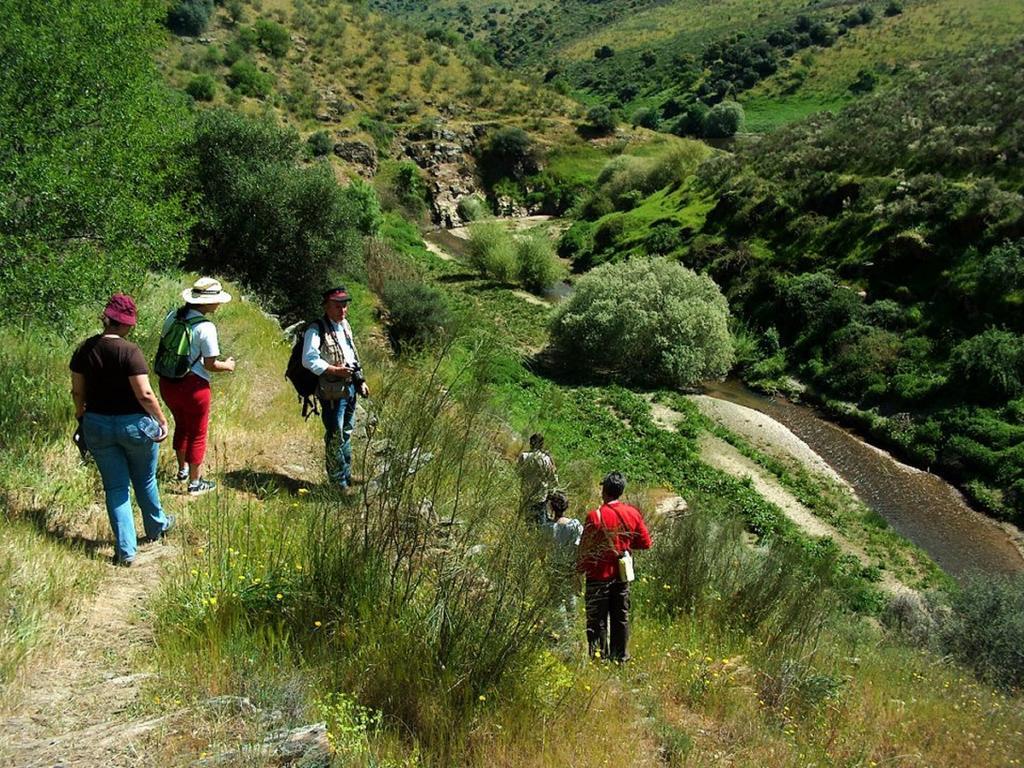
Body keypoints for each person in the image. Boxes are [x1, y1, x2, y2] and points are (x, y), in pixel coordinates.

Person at [70, 294, 174, 566]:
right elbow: (145, 394)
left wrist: (82, 415)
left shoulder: (84, 350)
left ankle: (126, 550)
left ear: (106, 319)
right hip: (134, 426)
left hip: (97, 424)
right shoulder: (130, 351)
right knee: (145, 479)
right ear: (127, 324)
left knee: (116, 487)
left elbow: (77, 391)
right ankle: (156, 527)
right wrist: (162, 420)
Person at [158, 277, 235, 495]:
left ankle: (182, 470)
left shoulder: (173, 316)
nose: (219, 304)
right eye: (217, 300)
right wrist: (228, 366)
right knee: (198, 432)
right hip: (194, 387)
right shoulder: (206, 327)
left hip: (168, 382)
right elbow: (211, 364)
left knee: (181, 425)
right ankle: (195, 482)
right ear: (205, 303)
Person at [578, 471, 652, 662]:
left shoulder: (595, 516)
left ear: (604, 491)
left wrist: (579, 569)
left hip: (597, 575)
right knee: (620, 617)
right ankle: (620, 658)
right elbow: (645, 543)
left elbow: (585, 548)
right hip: (621, 575)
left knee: (597, 620)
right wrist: (624, 545)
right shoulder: (632, 513)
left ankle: (598, 657)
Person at [301, 286, 369, 492]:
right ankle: (337, 482)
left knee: (346, 431)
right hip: (331, 392)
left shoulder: (345, 326)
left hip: (349, 389)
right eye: (337, 306)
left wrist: (361, 381)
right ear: (326, 307)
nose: (342, 310)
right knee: (335, 434)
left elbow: (352, 356)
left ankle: (345, 474)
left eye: (345, 305)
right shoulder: (316, 329)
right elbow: (309, 360)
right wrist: (334, 370)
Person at [544, 490, 583, 639]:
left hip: (554, 566)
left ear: (552, 508)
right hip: (570, 566)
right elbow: (579, 546)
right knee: (570, 596)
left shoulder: (548, 528)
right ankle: (573, 630)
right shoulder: (575, 525)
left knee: (556, 599)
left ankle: (562, 631)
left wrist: (544, 564)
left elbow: (542, 550)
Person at [518, 433, 557, 526]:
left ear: (530, 443)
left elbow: (518, 473)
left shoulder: (524, 457)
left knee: (528, 522)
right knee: (540, 524)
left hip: (527, 495)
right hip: (541, 497)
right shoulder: (547, 459)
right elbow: (552, 479)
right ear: (541, 445)